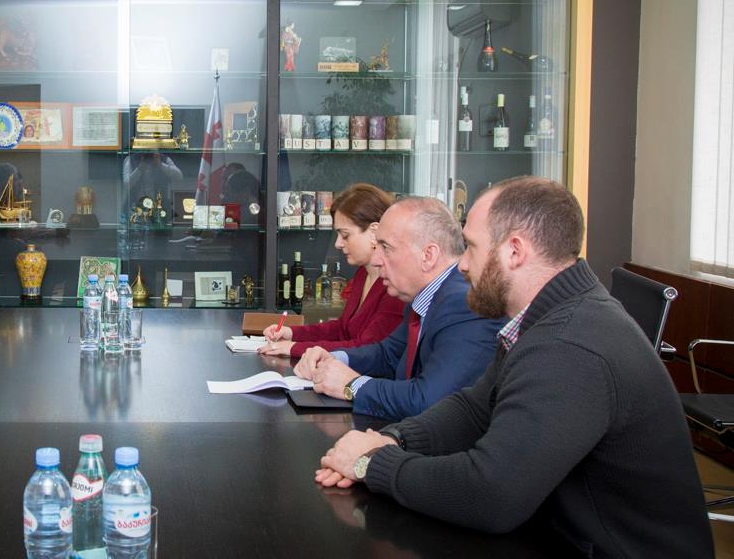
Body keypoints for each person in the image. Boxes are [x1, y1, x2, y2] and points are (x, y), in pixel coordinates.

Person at [315, 177, 712, 557]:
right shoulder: (546, 317)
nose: (462, 265)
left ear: (515, 251)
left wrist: (372, 463)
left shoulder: (569, 344)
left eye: (471, 247)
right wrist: (394, 439)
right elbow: (474, 408)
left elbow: (491, 495)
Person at [293, 197, 502, 420]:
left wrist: (351, 385)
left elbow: (428, 400)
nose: (376, 260)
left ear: (428, 256)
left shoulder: (463, 304)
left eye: (386, 248)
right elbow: (388, 354)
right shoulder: (423, 297)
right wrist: (333, 358)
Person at [259, 184, 405, 358]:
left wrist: (294, 348)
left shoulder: (395, 286)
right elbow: (341, 329)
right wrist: (292, 334)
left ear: (374, 232)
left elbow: (366, 348)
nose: (337, 244)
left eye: (345, 235)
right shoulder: (363, 273)